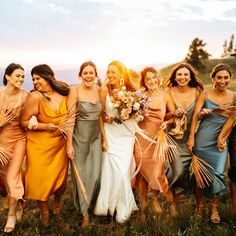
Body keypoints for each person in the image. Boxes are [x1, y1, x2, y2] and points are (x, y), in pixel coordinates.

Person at [21, 64, 70, 227]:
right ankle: (44, 214)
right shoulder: (35, 97)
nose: (35, 82)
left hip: (60, 144)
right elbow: (24, 122)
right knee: (40, 180)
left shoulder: (64, 92)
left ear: (48, 76)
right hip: (39, 145)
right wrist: (45, 126)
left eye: (38, 78)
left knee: (60, 179)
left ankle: (57, 204)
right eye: (33, 79)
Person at [187, 63, 234, 224]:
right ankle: (199, 207)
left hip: (220, 141)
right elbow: (195, 117)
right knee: (200, 175)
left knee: (218, 174)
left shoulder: (234, 96)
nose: (222, 80)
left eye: (225, 77)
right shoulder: (205, 94)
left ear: (230, 79)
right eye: (219, 77)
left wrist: (222, 137)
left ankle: (214, 208)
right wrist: (192, 137)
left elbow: (233, 118)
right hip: (203, 139)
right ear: (213, 78)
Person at [94, 60, 138, 223]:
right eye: (108, 72)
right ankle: (109, 206)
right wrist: (104, 138)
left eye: (114, 72)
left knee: (121, 172)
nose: (110, 75)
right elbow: (101, 116)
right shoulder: (104, 90)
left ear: (121, 74)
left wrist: (127, 114)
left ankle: (122, 207)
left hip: (126, 135)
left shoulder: (131, 91)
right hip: (110, 134)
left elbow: (135, 115)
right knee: (110, 170)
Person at [133, 67, 177, 217]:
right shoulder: (139, 96)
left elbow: (172, 115)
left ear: (158, 78)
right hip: (140, 138)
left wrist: (168, 121)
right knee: (142, 172)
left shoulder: (165, 96)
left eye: (153, 78)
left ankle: (159, 199)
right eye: (148, 79)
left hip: (158, 138)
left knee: (157, 172)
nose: (151, 81)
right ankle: (144, 204)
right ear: (144, 82)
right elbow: (132, 116)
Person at [67, 61, 102, 227]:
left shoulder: (100, 90)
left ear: (96, 75)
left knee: (95, 175)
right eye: (85, 73)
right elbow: (69, 118)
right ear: (80, 75)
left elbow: (103, 115)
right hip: (79, 138)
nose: (88, 76)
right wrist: (68, 144)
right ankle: (85, 213)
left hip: (97, 138)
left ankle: (92, 203)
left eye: (91, 73)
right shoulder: (74, 91)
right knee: (81, 175)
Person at [165, 63, 203, 199]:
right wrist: (174, 113)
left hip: (189, 136)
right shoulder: (168, 92)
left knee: (184, 169)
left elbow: (196, 117)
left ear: (190, 76)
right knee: (178, 170)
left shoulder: (197, 92)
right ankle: (167, 189)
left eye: (186, 74)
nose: (182, 77)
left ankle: (176, 198)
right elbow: (164, 116)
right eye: (179, 74)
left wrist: (203, 113)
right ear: (174, 77)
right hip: (172, 136)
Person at [0, 63, 28, 233]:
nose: (21, 79)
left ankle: (11, 216)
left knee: (12, 178)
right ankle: (18, 202)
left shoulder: (25, 96)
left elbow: (33, 112)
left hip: (19, 140)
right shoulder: (0, 95)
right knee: (5, 177)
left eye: (23, 77)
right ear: (8, 77)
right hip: (2, 141)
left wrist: (32, 120)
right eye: (17, 76)